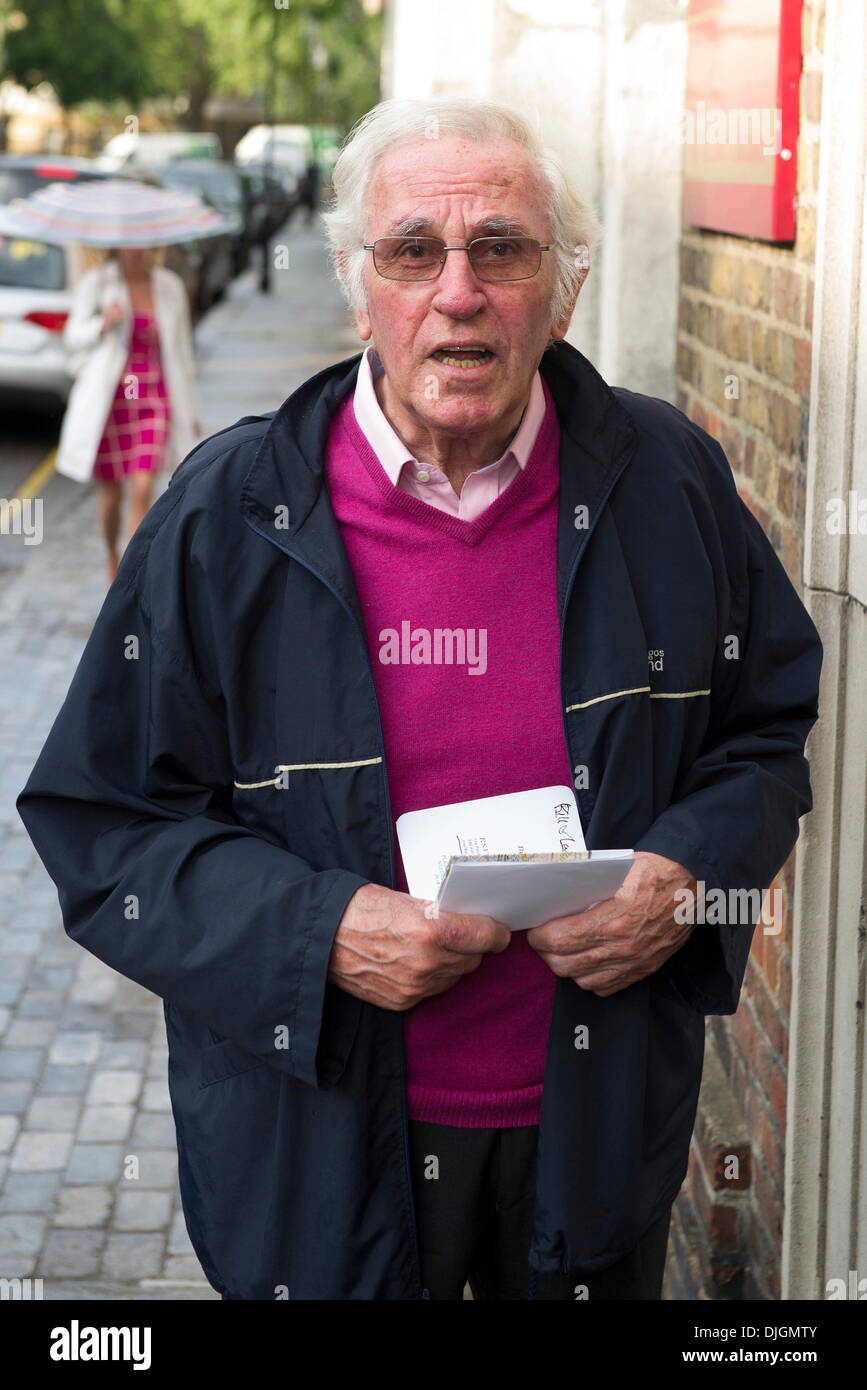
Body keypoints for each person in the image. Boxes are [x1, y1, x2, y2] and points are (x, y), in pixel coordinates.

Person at [16, 98, 822, 1301]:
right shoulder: (223, 515)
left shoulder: (671, 483)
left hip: (593, 1149)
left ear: (565, 285)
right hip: (321, 1165)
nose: (459, 291)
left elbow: (765, 733)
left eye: (502, 247)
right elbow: (102, 825)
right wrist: (315, 930)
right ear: (358, 288)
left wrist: (685, 875)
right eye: (413, 252)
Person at [56, 245, 202, 588]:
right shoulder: (97, 283)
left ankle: (129, 576)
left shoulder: (169, 286)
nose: (139, 250)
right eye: (131, 244)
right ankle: (111, 553)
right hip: (112, 403)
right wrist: (102, 323)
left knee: (142, 488)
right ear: (118, 246)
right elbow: (72, 335)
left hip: (153, 398)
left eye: (146, 242)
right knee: (111, 497)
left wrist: (191, 409)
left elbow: (181, 351)